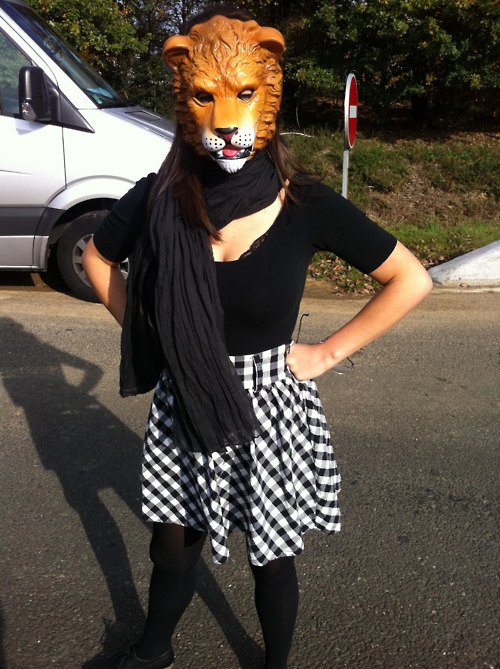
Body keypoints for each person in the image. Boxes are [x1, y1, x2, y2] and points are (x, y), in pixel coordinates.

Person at [82, 4, 432, 668]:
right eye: (205, 95)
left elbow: (410, 279)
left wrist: (326, 353)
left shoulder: (306, 204)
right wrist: (152, 330)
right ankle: (154, 649)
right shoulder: (157, 199)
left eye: (243, 92)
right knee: (171, 548)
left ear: (267, 90)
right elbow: (96, 257)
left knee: (271, 559)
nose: (225, 116)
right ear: (183, 97)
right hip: (186, 397)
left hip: (271, 406)